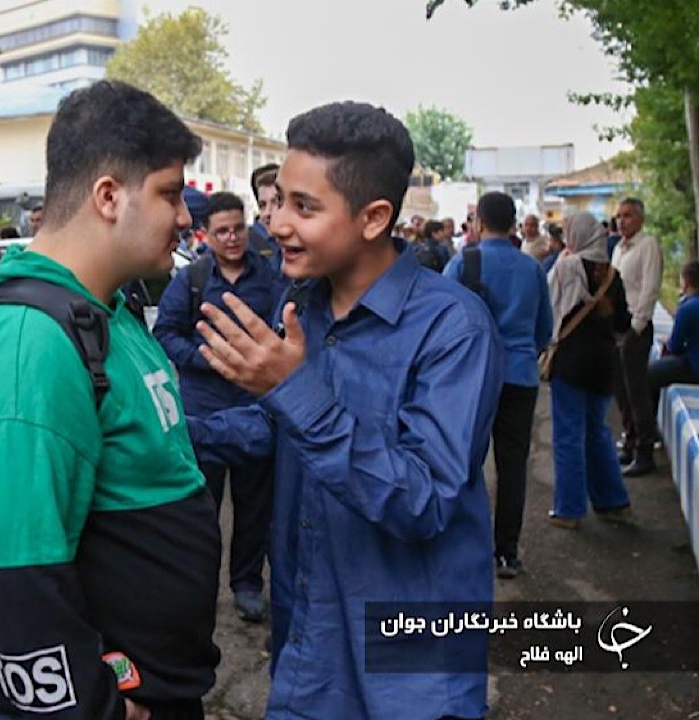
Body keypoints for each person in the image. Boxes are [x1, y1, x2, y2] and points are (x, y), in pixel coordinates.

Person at [188, 101, 502, 720]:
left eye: (304, 208)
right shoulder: (302, 307)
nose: (276, 224)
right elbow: (277, 431)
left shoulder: (453, 328)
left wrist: (292, 389)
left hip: (411, 673)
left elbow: (423, 497)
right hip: (309, 651)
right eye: (278, 202)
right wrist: (165, 429)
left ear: (374, 217)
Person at [0, 79, 218, 720]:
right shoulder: (30, 343)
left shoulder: (106, 312)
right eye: (169, 193)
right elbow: (12, 579)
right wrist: (96, 707)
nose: (185, 217)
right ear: (109, 196)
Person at [153, 191, 284, 622]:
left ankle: (247, 584)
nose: (232, 238)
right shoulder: (190, 280)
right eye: (222, 231)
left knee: (254, 507)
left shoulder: (269, 277)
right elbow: (167, 333)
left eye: (238, 229)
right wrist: (208, 358)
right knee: (200, 508)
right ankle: (197, 588)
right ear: (205, 235)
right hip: (202, 412)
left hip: (254, 410)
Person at [443, 192, 553, 579]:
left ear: (480, 223)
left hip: (473, 378)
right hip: (521, 377)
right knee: (512, 466)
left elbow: (440, 319)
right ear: (512, 224)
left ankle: (461, 549)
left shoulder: (463, 263)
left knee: (463, 462)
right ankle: (507, 553)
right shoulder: (532, 269)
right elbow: (545, 330)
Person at [545, 212, 633, 528]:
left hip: (571, 362)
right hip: (604, 363)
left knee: (569, 435)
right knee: (597, 432)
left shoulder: (567, 266)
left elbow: (549, 308)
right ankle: (612, 501)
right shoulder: (612, 273)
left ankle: (569, 509)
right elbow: (623, 321)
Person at [611, 198, 664, 476]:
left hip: (636, 329)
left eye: (628, 215)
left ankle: (645, 451)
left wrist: (636, 327)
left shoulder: (648, 246)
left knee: (637, 391)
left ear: (641, 219)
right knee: (620, 392)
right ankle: (630, 442)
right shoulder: (619, 249)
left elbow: (649, 289)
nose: (622, 220)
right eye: (619, 216)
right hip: (617, 328)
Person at [648, 262, 699, 418]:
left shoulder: (687, 308)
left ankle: (650, 426)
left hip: (694, 367)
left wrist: (668, 343)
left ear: (686, 282)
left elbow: (674, 346)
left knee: (649, 374)